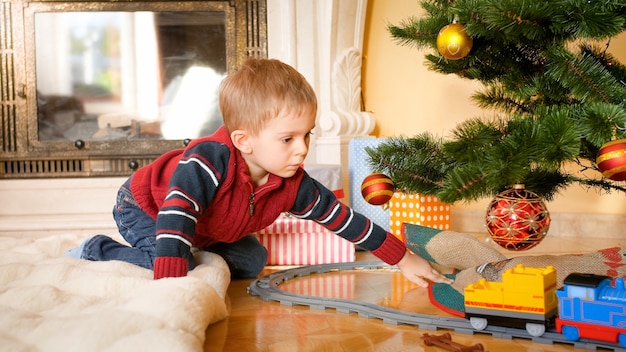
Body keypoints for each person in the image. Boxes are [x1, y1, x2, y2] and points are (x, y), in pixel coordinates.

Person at [66, 57, 452, 287]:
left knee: (251, 262)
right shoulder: (208, 159)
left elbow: (342, 219)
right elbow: (176, 214)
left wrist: (401, 258)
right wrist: (172, 283)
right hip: (147, 206)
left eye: (307, 135)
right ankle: (96, 250)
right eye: (288, 139)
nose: (302, 148)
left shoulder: (291, 180)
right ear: (244, 140)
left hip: (206, 226)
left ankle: (190, 250)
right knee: (174, 260)